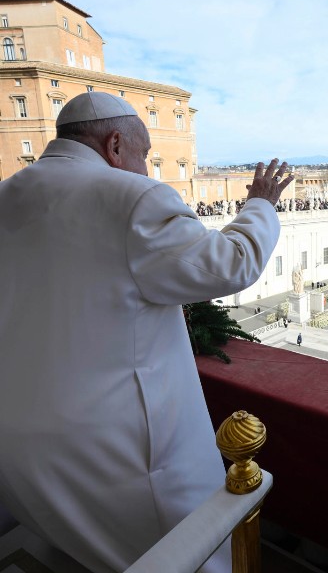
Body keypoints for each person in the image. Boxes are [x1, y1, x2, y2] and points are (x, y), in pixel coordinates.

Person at [0, 92, 294, 573]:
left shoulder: (5, 194)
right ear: (116, 144)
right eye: (145, 155)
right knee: (189, 552)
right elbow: (232, 263)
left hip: (19, 445)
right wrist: (259, 205)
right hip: (115, 453)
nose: (146, 168)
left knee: (72, 546)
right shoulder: (132, 198)